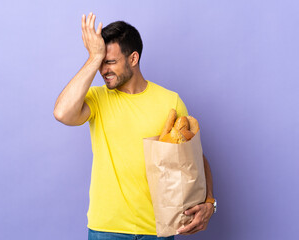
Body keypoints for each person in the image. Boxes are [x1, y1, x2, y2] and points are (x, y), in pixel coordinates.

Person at [53, 12, 216, 240]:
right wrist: (94, 57)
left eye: (109, 62)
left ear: (133, 58)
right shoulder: (97, 99)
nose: (103, 70)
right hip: (107, 230)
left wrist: (209, 202)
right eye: (100, 63)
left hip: (157, 229)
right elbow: (61, 113)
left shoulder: (170, 101)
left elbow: (195, 157)